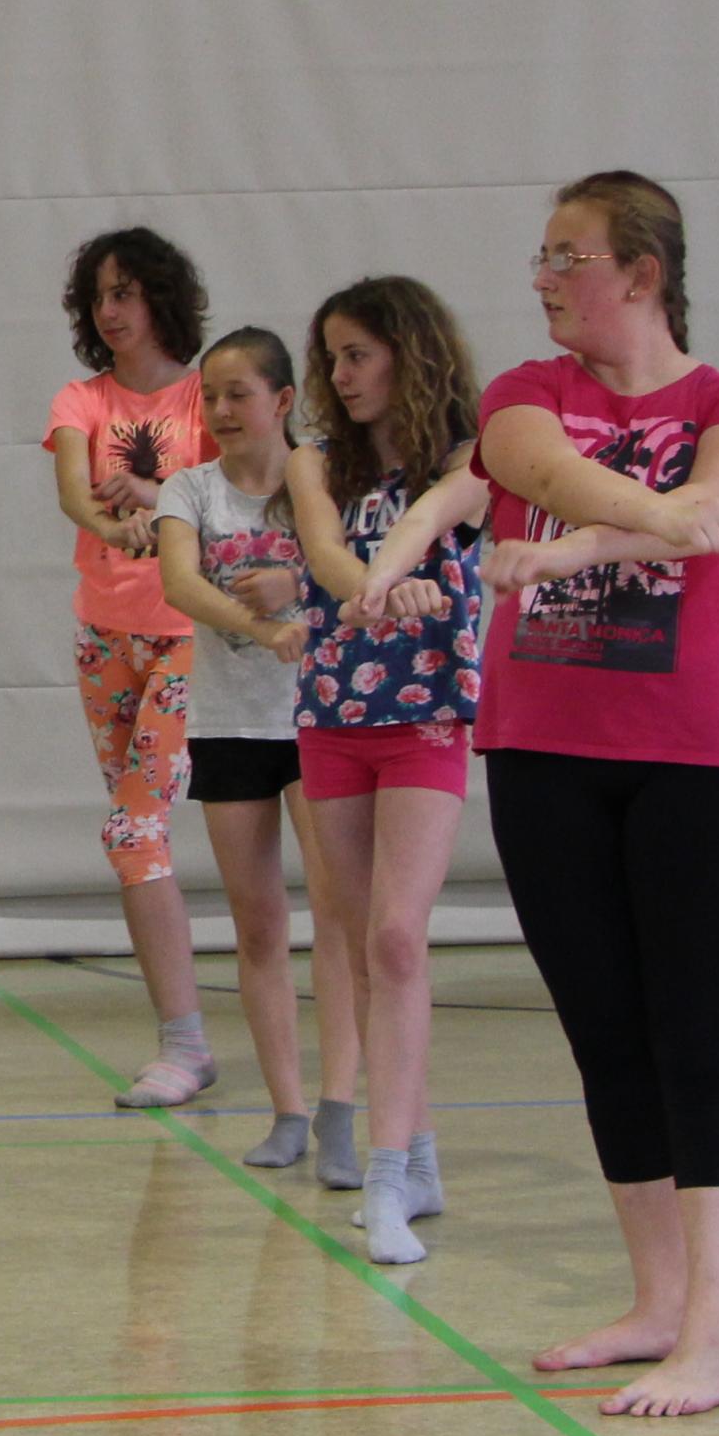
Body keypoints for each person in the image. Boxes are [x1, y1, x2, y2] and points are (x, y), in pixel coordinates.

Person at [476, 173, 719, 1418]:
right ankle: (656, 1302)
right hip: (543, 754)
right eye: (542, 256)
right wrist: (646, 521)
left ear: (642, 273)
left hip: (698, 757)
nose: (544, 277)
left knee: (702, 1039)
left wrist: (573, 551)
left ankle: (713, 1337)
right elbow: (554, 473)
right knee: (605, 1033)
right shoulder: (523, 393)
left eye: (570, 256)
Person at [284, 277, 486, 1261]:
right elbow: (324, 554)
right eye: (330, 357)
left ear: (411, 353)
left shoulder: (469, 456)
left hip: (427, 717)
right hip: (333, 716)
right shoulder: (315, 460)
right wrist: (372, 588)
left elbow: (450, 511)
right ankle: (419, 1150)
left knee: (400, 935)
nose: (340, 374)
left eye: (358, 354)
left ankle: (390, 1169)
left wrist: (403, 581)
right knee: (363, 941)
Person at [152, 329, 362, 1169]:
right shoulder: (190, 489)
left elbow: (359, 568)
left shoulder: (323, 482)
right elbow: (179, 581)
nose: (223, 410)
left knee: (337, 918)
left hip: (316, 721)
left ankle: (340, 1107)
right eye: (211, 396)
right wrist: (264, 626)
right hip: (230, 726)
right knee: (258, 925)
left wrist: (297, 588)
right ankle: (288, 1110)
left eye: (240, 394)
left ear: (282, 401)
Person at [43, 228, 218, 1107]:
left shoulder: (206, 397)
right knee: (134, 841)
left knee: (133, 830)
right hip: (105, 636)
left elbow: (242, 497)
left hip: (185, 635)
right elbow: (75, 494)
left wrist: (161, 501)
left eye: (126, 293)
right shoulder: (82, 399)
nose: (110, 312)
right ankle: (181, 1037)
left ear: (160, 298)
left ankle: (184, 1045)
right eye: (98, 297)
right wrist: (116, 526)